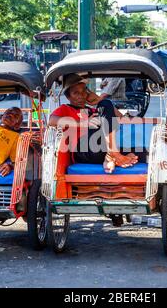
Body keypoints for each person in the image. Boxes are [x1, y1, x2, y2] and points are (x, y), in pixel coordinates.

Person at [49, 74, 143, 227]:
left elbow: (118, 117)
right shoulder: (65, 109)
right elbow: (52, 121)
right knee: (102, 117)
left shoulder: (94, 109)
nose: (80, 96)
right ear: (68, 97)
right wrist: (82, 123)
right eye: (76, 93)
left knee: (142, 152)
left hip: (100, 148)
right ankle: (113, 153)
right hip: (82, 149)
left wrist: (98, 100)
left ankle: (111, 155)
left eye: (83, 92)